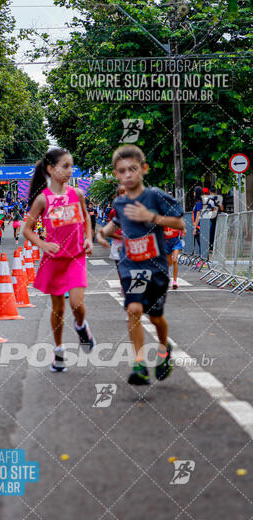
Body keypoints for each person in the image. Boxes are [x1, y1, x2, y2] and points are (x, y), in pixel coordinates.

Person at [97, 144, 184, 385]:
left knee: (156, 317)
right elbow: (115, 222)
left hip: (156, 268)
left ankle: (164, 350)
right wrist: (102, 233)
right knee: (134, 309)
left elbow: (180, 224)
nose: (127, 175)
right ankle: (139, 363)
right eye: (122, 171)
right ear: (116, 174)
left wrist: (152, 218)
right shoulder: (120, 203)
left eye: (132, 169)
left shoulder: (155, 196)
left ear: (143, 169)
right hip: (132, 266)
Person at [23, 148, 95, 373]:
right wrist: (43, 245)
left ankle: (81, 326)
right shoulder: (43, 199)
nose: (69, 170)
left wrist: (89, 239)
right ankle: (59, 350)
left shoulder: (77, 194)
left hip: (76, 257)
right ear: (51, 170)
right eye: (65, 166)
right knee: (58, 309)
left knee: (76, 303)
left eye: (71, 166)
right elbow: (27, 230)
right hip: (54, 260)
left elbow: (86, 220)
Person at [206, 186, 223, 251]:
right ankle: (213, 247)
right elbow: (221, 208)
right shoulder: (217, 198)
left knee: (210, 232)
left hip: (209, 217)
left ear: (209, 191)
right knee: (214, 232)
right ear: (215, 191)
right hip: (215, 217)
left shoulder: (207, 198)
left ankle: (210, 247)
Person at [192, 186, 203, 255]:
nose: (193, 193)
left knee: (200, 244)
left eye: (194, 192)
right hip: (197, 225)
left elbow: (198, 216)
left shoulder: (199, 203)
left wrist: (195, 228)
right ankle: (202, 260)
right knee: (199, 243)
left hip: (198, 226)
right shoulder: (198, 203)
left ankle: (203, 261)